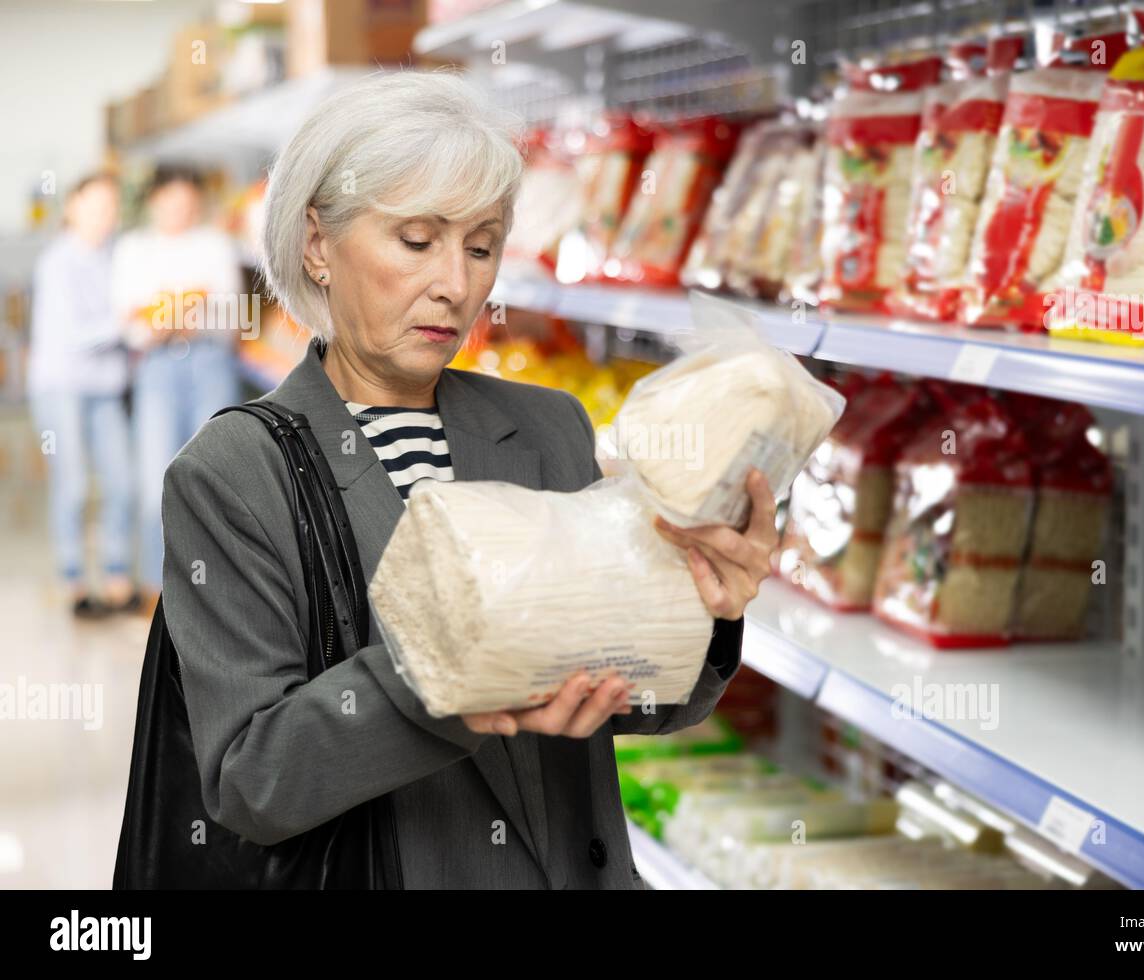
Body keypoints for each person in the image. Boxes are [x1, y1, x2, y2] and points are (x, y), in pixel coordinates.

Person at [158, 70, 777, 888]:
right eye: (416, 241)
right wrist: (445, 676)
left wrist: (704, 610)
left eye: (480, 246)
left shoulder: (551, 427)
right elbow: (251, 780)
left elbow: (635, 698)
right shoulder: (236, 474)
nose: (457, 284)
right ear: (318, 243)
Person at [111, 165, 242, 606]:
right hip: (156, 368)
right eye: (170, 202)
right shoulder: (133, 248)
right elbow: (130, 324)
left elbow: (230, 317)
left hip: (210, 363)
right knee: (156, 479)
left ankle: (211, 592)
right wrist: (181, 310)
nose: (179, 211)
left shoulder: (215, 243)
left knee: (213, 477)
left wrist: (164, 313)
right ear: (152, 202)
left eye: (187, 203)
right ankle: (157, 587)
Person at [28, 173, 138, 618]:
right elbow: (74, 335)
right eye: (94, 206)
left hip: (105, 390)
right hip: (62, 389)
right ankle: (74, 583)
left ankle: (116, 578)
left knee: (121, 482)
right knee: (72, 486)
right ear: (72, 207)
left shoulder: (117, 256)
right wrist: (128, 322)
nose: (103, 217)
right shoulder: (57, 262)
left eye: (110, 208)